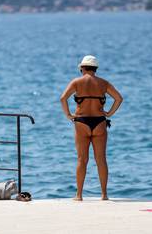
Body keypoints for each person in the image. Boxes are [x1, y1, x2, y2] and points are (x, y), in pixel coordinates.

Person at [60, 55, 123, 201]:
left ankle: (79, 195)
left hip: (81, 122)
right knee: (101, 159)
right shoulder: (103, 83)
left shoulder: (77, 82)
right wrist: (109, 113)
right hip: (100, 122)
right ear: (95, 68)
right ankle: (104, 194)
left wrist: (69, 115)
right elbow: (119, 98)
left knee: (82, 159)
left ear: (82, 68)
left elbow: (63, 98)